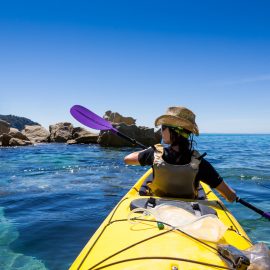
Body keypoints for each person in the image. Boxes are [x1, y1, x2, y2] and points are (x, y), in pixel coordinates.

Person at [124, 106, 237, 202]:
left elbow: (127, 159)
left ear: (172, 131)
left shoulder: (153, 153)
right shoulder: (200, 163)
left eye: (163, 128)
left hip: (156, 207)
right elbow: (230, 196)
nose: (161, 131)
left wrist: (148, 150)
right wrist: (234, 196)